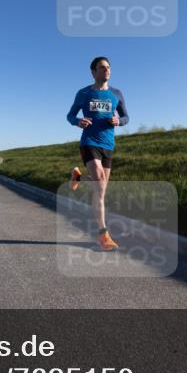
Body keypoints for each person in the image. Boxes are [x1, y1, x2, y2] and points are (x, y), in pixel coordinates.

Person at [66, 56, 129, 250]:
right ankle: (103, 235)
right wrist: (78, 122)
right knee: (100, 180)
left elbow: (126, 117)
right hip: (89, 142)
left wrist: (119, 121)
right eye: (102, 68)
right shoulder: (84, 93)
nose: (107, 70)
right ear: (93, 72)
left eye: (108, 67)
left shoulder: (116, 94)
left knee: (100, 188)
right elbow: (70, 115)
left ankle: (78, 176)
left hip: (108, 145)